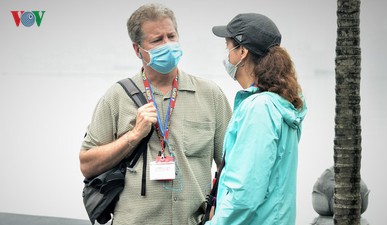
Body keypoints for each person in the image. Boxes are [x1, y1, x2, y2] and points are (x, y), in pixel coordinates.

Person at [79, 3, 232, 225]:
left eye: (171, 36)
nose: (167, 45)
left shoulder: (210, 95)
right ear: (137, 49)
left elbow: (229, 166)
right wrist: (132, 137)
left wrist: (219, 212)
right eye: (157, 40)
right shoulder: (117, 96)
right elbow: (87, 165)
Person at [205, 13, 307, 224]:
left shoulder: (260, 109)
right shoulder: (282, 103)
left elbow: (245, 193)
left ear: (242, 52)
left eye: (229, 47)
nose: (227, 55)